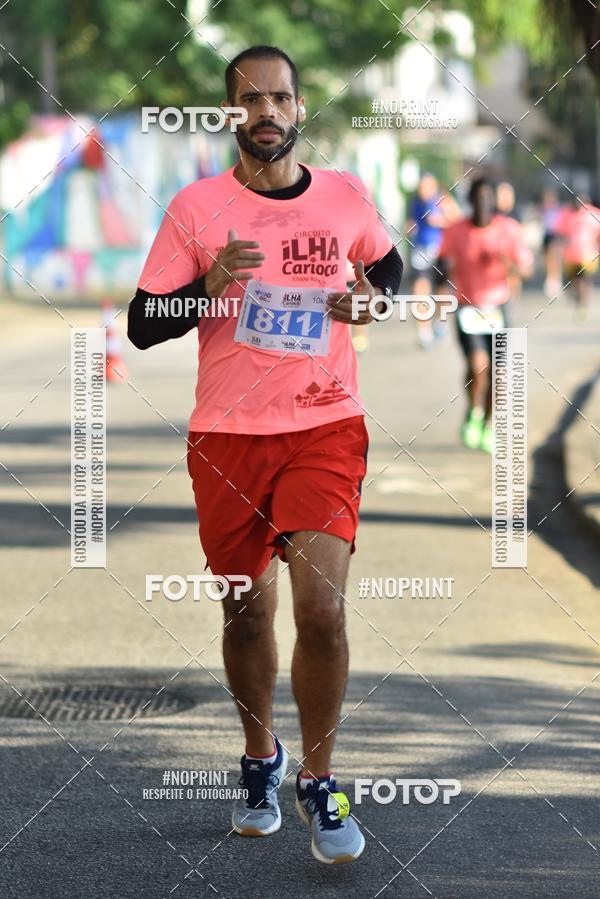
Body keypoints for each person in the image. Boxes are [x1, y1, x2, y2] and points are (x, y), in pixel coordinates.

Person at [127, 45, 403, 864]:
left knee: (321, 608)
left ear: (301, 106)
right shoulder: (196, 207)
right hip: (227, 438)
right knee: (246, 610)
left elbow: (389, 268)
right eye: (250, 102)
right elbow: (143, 323)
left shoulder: (346, 196)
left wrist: (371, 301)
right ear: (229, 115)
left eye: (279, 98)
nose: (266, 114)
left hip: (324, 425)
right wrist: (207, 284)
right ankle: (260, 758)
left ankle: (322, 783)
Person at [437, 177, 533, 453]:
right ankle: (473, 413)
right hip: (468, 308)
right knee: (478, 367)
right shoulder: (456, 231)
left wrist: (507, 265)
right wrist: (441, 290)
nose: (482, 203)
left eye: (487, 198)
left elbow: (526, 269)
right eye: (477, 198)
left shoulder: (508, 230)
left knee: (499, 375)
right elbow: (442, 264)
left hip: (498, 308)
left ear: (494, 202)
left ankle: (489, 424)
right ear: (470, 201)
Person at [406, 174, 459, 349]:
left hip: (442, 251)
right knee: (420, 290)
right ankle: (424, 332)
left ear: (434, 187)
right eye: (421, 187)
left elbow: (457, 220)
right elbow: (409, 225)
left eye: (428, 187)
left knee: (443, 291)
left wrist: (442, 220)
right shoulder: (414, 203)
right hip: (421, 251)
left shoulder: (442, 200)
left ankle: (439, 322)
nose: (424, 191)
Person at [554, 193, 600, 321]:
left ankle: (583, 306)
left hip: (588, 256)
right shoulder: (566, 214)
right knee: (575, 280)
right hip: (570, 256)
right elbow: (559, 233)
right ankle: (577, 299)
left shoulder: (593, 214)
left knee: (585, 280)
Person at [540, 187, 563, 299]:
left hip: (555, 236)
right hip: (546, 236)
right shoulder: (542, 209)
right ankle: (550, 282)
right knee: (547, 260)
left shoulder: (557, 209)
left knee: (555, 259)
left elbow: (559, 223)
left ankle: (556, 282)